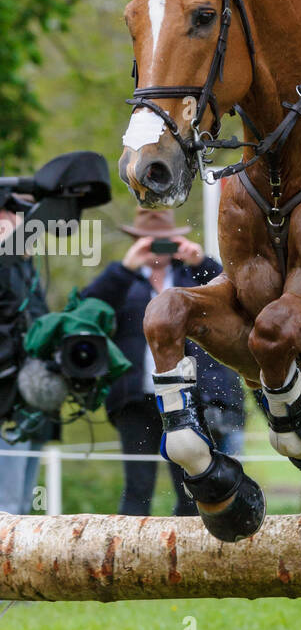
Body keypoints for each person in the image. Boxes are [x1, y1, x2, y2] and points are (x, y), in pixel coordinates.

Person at [81, 209, 245, 516]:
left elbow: (234, 298)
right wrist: (125, 268)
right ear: (137, 241)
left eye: (164, 242)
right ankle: (127, 556)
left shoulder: (189, 278)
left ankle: (186, 555)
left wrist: (201, 263)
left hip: (186, 397)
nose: (157, 249)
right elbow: (89, 307)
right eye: (149, 242)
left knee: (190, 484)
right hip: (134, 398)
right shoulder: (123, 280)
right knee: (137, 486)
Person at [0, 205, 57, 513]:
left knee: (20, 508)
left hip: (30, 404)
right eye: (14, 214)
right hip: (6, 401)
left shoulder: (26, 269)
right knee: (5, 508)